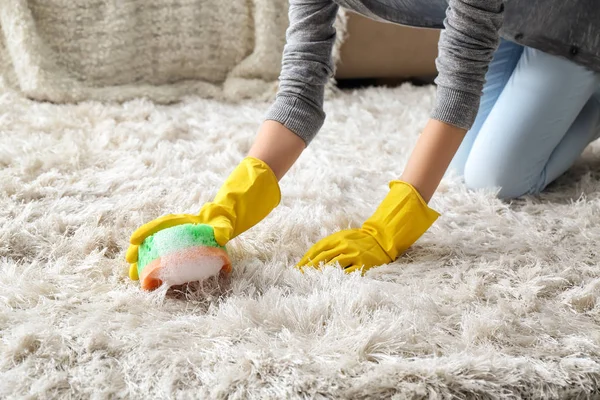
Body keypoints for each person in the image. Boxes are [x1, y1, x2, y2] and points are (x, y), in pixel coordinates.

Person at [126, 0, 600, 278]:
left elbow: (457, 90)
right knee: (464, 171)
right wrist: (225, 209)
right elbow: (300, 93)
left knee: (498, 177)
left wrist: (391, 225)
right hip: (506, 19)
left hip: (571, 17)